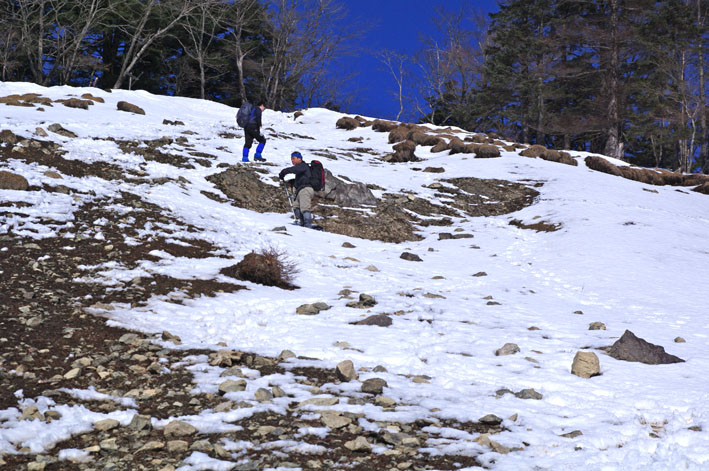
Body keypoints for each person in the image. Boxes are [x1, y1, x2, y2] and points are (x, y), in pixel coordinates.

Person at [279, 151, 314, 228]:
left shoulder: (303, 166)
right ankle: (303, 224)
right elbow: (301, 178)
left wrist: (284, 171)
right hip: (300, 190)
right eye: (291, 159)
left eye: (294, 158)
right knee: (296, 207)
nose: (292, 160)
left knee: (305, 208)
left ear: (299, 158)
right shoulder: (301, 169)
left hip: (305, 189)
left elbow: (294, 170)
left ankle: (308, 226)